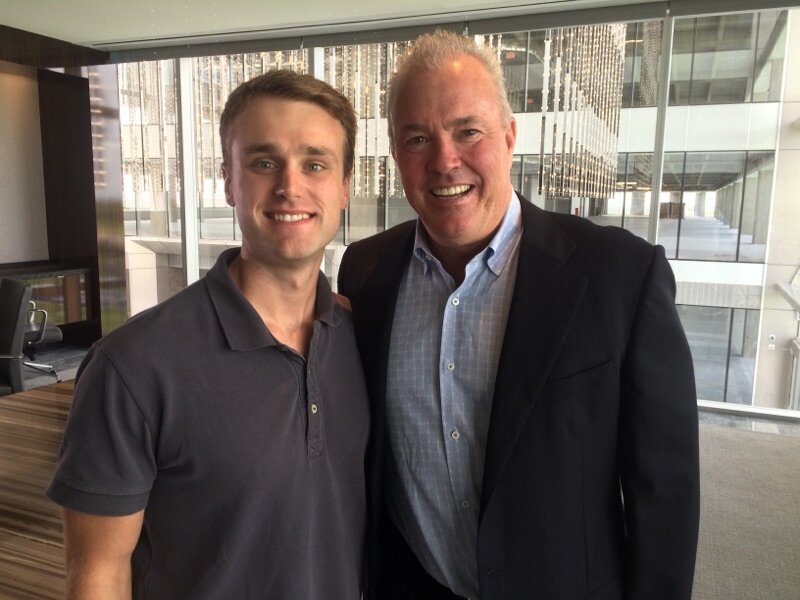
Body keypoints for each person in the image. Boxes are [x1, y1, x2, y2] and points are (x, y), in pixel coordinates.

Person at [338, 29, 699, 600]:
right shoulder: (365, 273)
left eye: (468, 131)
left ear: (509, 137)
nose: (444, 160)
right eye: (416, 139)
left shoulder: (619, 276)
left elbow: (665, 490)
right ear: (395, 156)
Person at [48, 70, 369, 599]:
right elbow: (98, 576)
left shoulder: (359, 337)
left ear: (344, 188)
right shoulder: (133, 366)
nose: (290, 186)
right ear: (228, 180)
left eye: (315, 163)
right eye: (264, 163)